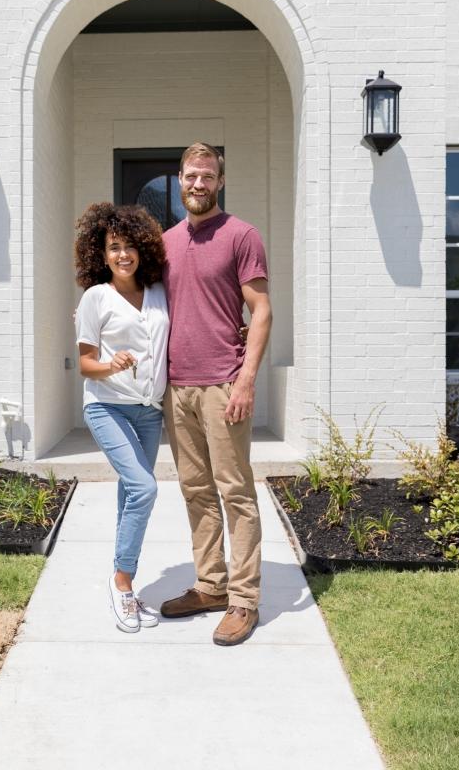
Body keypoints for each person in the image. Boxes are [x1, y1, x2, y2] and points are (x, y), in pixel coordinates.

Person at [157, 142, 272, 647]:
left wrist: (246, 380)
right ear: (178, 180)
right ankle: (210, 586)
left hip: (224, 385)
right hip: (177, 386)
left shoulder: (241, 235)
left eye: (207, 176)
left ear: (219, 181)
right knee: (196, 491)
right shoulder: (165, 242)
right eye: (190, 176)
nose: (198, 184)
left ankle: (244, 599)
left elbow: (262, 311)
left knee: (236, 492)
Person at [74, 202, 170, 633]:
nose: (123, 254)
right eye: (114, 247)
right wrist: (112, 366)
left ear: (143, 249)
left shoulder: (158, 292)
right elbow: (85, 364)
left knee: (131, 496)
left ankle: (124, 583)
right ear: (102, 253)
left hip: (149, 411)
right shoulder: (96, 298)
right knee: (145, 488)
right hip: (106, 406)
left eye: (130, 246)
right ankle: (122, 581)